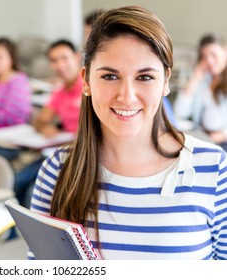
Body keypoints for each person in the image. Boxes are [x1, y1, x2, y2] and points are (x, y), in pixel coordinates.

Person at [30, 6, 227, 260]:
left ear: (165, 82)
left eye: (144, 77)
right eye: (110, 76)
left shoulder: (214, 169)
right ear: (86, 81)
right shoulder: (57, 171)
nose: (126, 96)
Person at [15, 39, 82, 208]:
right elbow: (39, 121)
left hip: (81, 153)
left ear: (77, 57)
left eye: (64, 58)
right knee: (19, 180)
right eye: (54, 60)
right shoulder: (60, 91)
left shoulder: (90, 86)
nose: (60, 65)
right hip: (60, 150)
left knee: (33, 192)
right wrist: (45, 126)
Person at [174, 33, 227, 131]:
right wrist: (194, 79)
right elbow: (180, 112)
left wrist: (221, 136)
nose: (209, 61)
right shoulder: (204, 81)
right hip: (203, 134)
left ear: (225, 52)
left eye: (213, 54)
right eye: (204, 57)